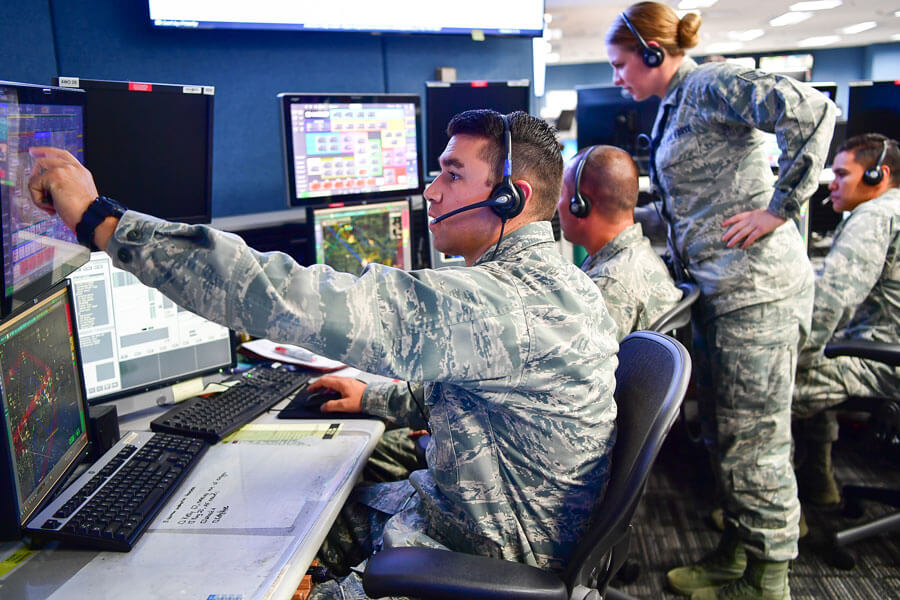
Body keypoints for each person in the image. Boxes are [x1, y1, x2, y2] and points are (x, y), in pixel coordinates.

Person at [29, 109, 619, 598]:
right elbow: (475, 389)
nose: (430, 190)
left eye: (452, 175)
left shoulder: (504, 302)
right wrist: (375, 396)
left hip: (476, 560)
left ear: (512, 196)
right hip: (475, 519)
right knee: (273, 526)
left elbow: (298, 300)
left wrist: (103, 223)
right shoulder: (555, 286)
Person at [605, 3, 836, 599]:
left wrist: (779, 207)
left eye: (621, 64)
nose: (617, 78)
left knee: (754, 441)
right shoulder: (676, 105)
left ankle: (768, 579)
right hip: (719, 290)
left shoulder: (711, 82)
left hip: (755, 293)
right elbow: (694, 207)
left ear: (653, 52)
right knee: (722, 435)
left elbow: (813, 111)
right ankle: (737, 552)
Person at [792, 133, 900, 507]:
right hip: (884, 346)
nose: (832, 183)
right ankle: (817, 479)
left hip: (885, 359)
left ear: (877, 176)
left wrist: (789, 352)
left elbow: (833, 301)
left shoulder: (876, 215)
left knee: (772, 384)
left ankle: (777, 513)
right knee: (820, 353)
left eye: (842, 174)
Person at [557, 144, 682, 340]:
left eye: (561, 194)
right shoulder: (638, 252)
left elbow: (573, 366)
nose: (557, 204)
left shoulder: (609, 286)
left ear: (580, 205)